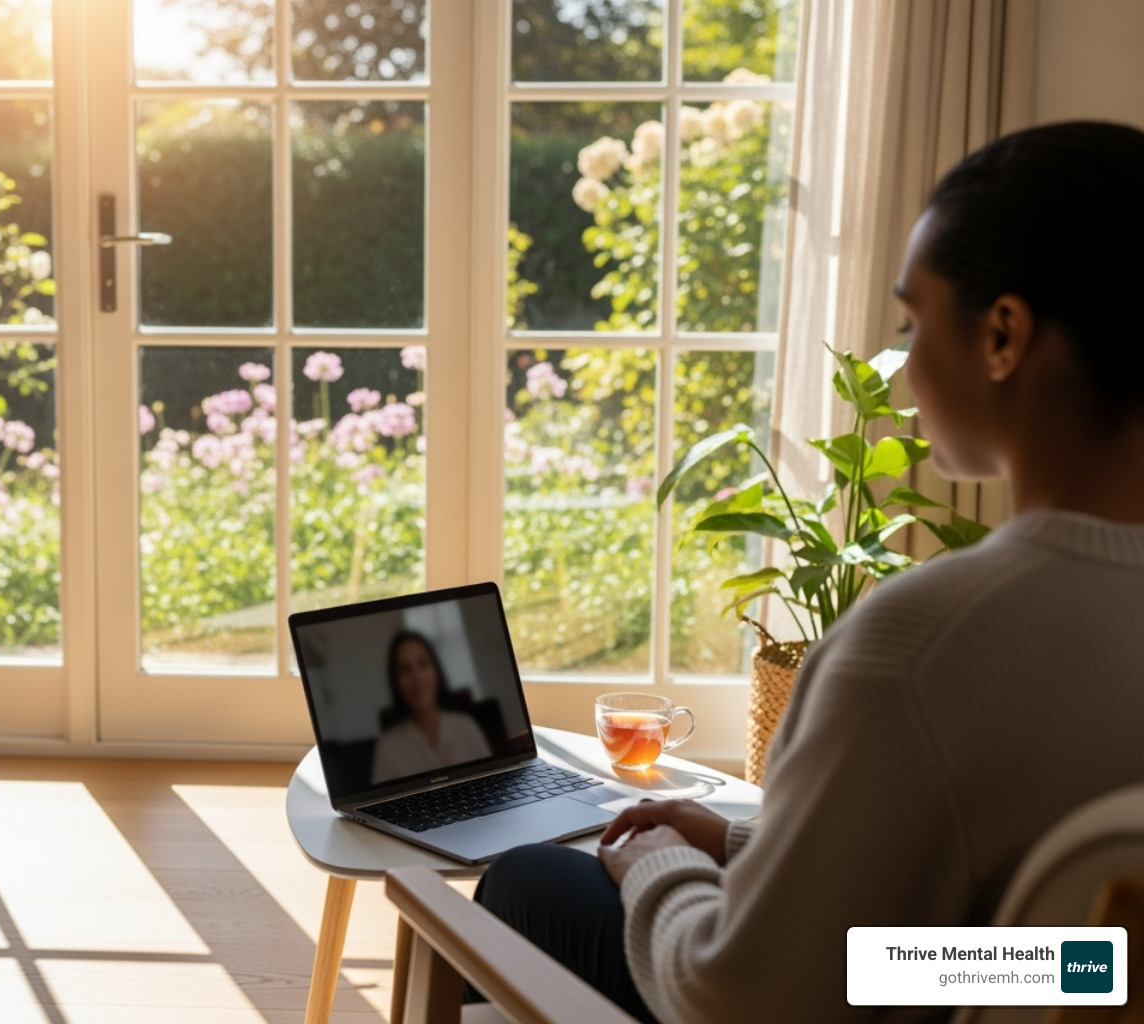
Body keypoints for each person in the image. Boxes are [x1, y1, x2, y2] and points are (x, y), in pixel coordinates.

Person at [471, 120, 1144, 1024]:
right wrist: (753, 846)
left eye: (913, 320)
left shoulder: (920, 647)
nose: (902, 359)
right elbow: (1074, 958)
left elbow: (737, 1001)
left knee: (523, 881)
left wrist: (656, 866)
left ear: (1002, 336)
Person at [370, 630, 492, 784]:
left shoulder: (466, 725)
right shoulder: (387, 747)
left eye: (423, 663)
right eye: (405, 669)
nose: (417, 677)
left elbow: (493, 779)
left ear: (436, 670)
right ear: (396, 682)